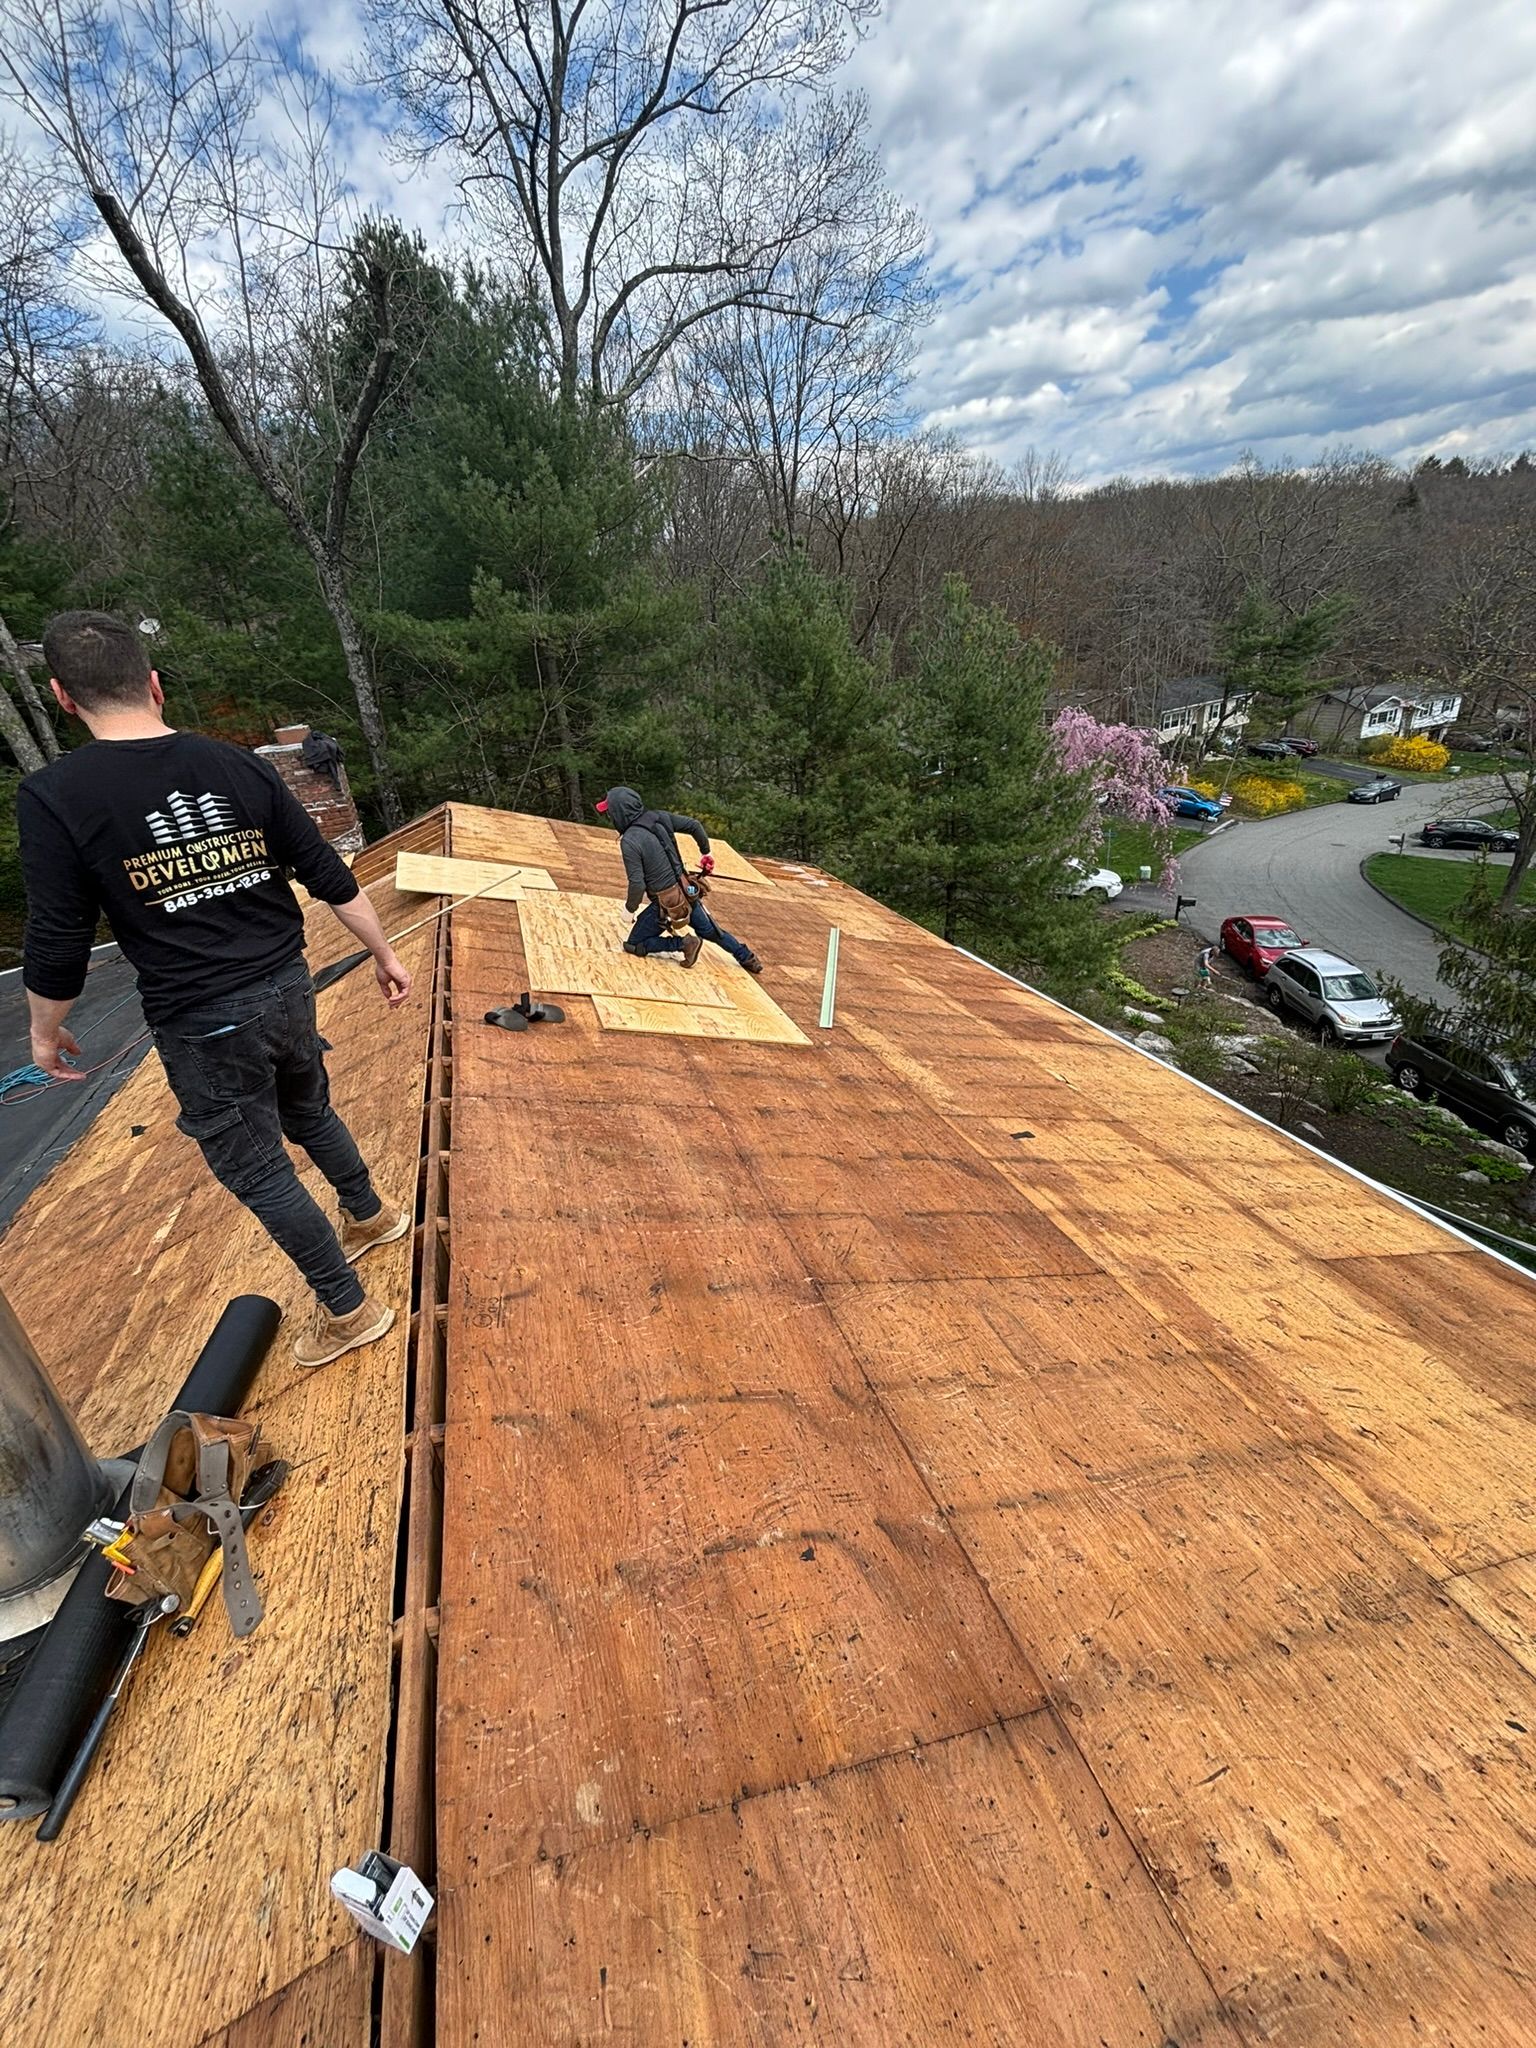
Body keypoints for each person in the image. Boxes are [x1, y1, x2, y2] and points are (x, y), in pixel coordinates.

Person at [17, 610, 413, 1370]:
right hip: (288, 986)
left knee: (258, 1166)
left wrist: (44, 1032)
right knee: (308, 1106)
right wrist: (383, 953)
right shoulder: (240, 766)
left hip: (205, 1022)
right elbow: (326, 873)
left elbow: (59, 937)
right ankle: (370, 1214)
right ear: (154, 686)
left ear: (64, 698)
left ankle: (348, 1309)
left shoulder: (57, 795)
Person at [595, 786, 763, 974]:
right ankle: (747, 957)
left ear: (620, 813)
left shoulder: (631, 841)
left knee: (634, 944)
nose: (610, 817)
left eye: (610, 812)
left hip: (665, 903)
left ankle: (684, 943)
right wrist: (706, 853)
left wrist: (629, 910)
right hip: (687, 890)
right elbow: (694, 825)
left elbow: (637, 884)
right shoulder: (659, 817)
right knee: (711, 931)